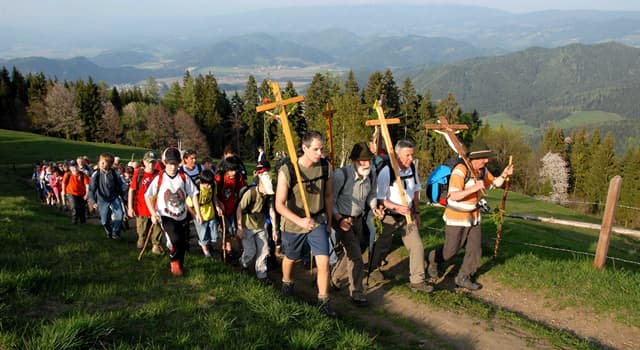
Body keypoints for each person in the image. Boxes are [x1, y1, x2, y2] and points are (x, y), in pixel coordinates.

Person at [427, 138, 514, 291]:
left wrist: (504, 175)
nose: (486, 160)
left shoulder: (482, 171)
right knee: (451, 250)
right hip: (456, 216)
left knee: (475, 248)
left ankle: (464, 276)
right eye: (483, 158)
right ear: (474, 158)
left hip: (473, 216)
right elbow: (453, 195)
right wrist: (474, 189)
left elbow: (493, 184)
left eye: (487, 157)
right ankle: (433, 259)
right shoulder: (461, 170)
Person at [275, 131, 336, 317]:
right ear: (304, 148)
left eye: (322, 149)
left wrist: (329, 222)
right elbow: (279, 204)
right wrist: (299, 220)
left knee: (323, 261)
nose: (320, 153)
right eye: (316, 149)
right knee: (291, 257)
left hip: (317, 220)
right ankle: (287, 282)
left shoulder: (325, 167)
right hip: (294, 223)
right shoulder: (288, 170)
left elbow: (327, 196)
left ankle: (323, 302)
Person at [371, 140, 433, 293]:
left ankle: (417, 281)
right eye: (407, 155)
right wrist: (397, 207)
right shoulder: (387, 171)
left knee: (417, 245)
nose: (411, 158)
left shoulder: (411, 168)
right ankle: (373, 269)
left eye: (412, 155)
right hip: (390, 216)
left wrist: (417, 212)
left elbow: (416, 191)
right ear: (397, 155)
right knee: (383, 245)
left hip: (408, 215)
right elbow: (380, 198)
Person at [331, 142, 384, 306]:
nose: (366, 164)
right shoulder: (341, 175)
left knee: (354, 251)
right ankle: (357, 293)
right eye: (362, 161)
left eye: (368, 159)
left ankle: (335, 279)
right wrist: (339, 219)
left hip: (358, 219)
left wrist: (374, 207)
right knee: (356, 256)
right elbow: (330, 200)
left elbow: (372, 193)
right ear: (353, 161)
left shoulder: (372, 173)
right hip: (341, 220)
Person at [145, 147, 202, 276]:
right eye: (170, 164)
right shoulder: (160, 178)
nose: (172, 167)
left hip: (182, 215)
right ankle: (173, 260)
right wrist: (153, 214)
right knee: (175, 239)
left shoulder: (183, 177)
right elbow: (147, 196)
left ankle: (179, 265)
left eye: (175, 164)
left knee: (182, 242)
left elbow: (194, 194)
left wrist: (197, 213)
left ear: (179, 163)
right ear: (165, 162)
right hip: (165, 215)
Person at [236, 161, 276, 284]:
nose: (266, 193)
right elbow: (239, 209)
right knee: (250, 251)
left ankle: (262, 274)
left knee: (264, 250)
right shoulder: (250, 193)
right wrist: (239, 228)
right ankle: (243, 263)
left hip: (261, 225)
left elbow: (271, 211)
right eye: (265, 190)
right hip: (247, 226)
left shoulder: (268, 196)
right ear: (261, 185)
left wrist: (274, 229)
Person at [128, 151, 163, 255]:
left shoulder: (159, 174)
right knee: (142, 230)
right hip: (141, 208)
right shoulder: (139, 174)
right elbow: (131, 190)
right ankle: (141, 239)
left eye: (153, 162)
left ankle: (156, 245)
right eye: (148, 162)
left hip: (156, 208)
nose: (151, 164)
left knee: (157, 229)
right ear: (144, 162)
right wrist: (130, 207)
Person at [215, 156, 247, 259]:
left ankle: (242, 249)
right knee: (226, 231)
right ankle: (228, 251)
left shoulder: (238, 178)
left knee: (236, 230)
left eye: (235, 170)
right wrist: (219, 203)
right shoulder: (219, 178)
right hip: (222, 210)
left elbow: (243, 191)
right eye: (231, 170)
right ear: (226, 169)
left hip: (234, 208)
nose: (233, 173)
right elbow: (213, 194)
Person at [187, 169, 223, 258]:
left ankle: (210, 245)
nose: (209, 186)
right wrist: (195, 216)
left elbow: (214, 197)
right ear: (201, 182)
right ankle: (206, 252)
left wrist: (217, 207)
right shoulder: (196, 190)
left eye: (210, 184)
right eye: (207, 184)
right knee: (203, 235)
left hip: (210, 214)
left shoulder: (213, 185)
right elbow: (188, 205)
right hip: (200, 216)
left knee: (214, 235)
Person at [88, 153, 125, 240]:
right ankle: (109, 232)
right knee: (104, 221)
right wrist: (93, 201)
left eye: (104, 162)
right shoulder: (96, 174)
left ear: (110, 164)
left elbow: (121, 186)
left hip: (114, 197)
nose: (102, 164)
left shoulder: (115, 174)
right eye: (101, 162)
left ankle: (115, 232)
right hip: (102, 199)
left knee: (119, 215)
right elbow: (91, 189)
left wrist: (124, 198)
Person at [62, 160, 89, 224]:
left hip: (81, 194)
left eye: (76, 166)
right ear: (70, 168)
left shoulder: (83, 175)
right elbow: (63, 183)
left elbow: (87, 185)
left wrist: (87, 194)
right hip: (71, 193)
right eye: (72, 167)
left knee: (82, 208)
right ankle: (74, 221)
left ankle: (83, 222)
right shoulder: (67, 174)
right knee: (74, 207)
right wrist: (63, 191)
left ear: (78, 166)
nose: (74, 168)